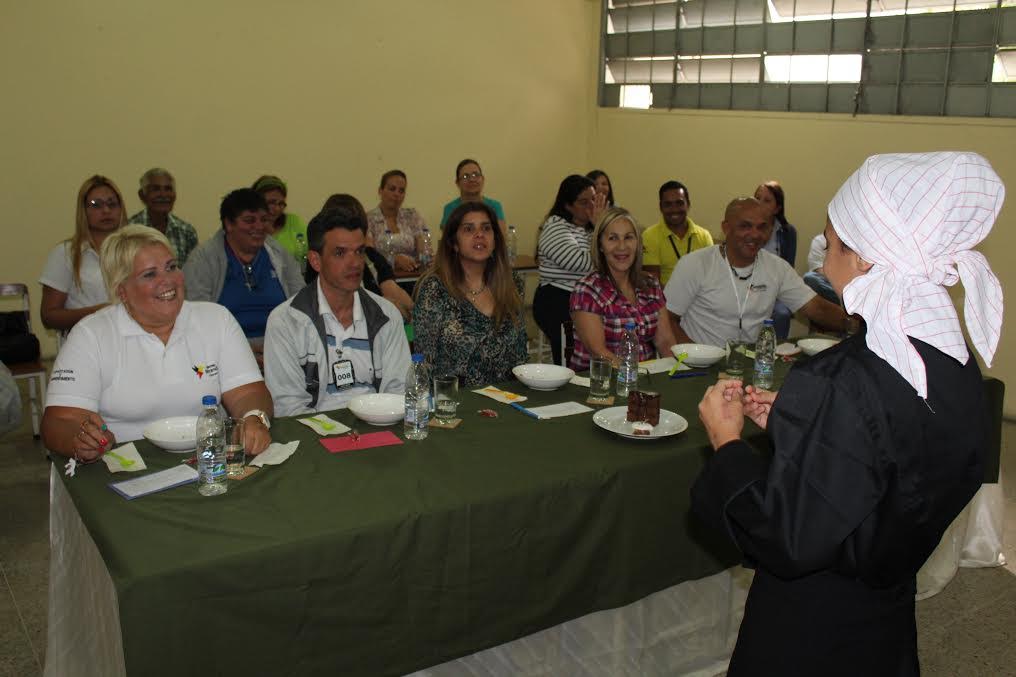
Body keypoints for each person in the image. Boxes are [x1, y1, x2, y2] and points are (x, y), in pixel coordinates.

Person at [693, 151, 1002, 675]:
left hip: (809, 627)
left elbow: (786, 535)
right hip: (885, 613)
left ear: (863, 258)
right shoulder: (953, 364)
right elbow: (905, 461)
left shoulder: (840, 380)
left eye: (832, 244)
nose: (821, 261)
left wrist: (727, 444)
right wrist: (805, 431)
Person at [41, 225, 273, 461]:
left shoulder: (216, 320)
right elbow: (59, 421)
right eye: (150, 274)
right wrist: (81, 441)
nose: (168, 281)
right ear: (122, 291)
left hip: (207, 461)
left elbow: (248, 392)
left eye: (171, 267)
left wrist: (254, 418)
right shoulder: (91, 335)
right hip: (124, 467)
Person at [264, 207, 411, 417]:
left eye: (359, 251)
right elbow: (288, 408)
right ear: (315, 260)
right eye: (340, 253)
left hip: (378, 428)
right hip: (312, 436)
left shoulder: (386, 316)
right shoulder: (285, 321)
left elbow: (399, 394)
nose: (355, 263)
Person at [664, 197, 848, 348]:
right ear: (726, 228)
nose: (755, 234)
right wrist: (691, 355)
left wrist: (857, 325)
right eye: (745, 226)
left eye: (762, 227)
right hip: (700, 363)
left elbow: (815, 307)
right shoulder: (695, 264)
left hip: (752, 363)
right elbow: (667, 319)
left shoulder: (776, 268)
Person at [413, 202, 527, 386]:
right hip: (456, 403)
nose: (479, 234)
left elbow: (521, 355)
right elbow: (424, 364)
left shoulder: (512, 284)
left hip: (509, 397)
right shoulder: (435, 289)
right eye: (468, 229)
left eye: (486, 228)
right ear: (454, 243)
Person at [183, 188, 304, 342]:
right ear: (228, 224)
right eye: (249, 220)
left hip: (280, 345)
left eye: (264, 219)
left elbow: (301, 307)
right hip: (225, 348)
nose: (259, 227)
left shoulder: (280, 254)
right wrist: (244, 350)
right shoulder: (202, 260)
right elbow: (197, 319)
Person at [570, 207, 676, 371]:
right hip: (598, 386)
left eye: (628, 237)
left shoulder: (651, 285)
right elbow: (599, 352)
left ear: (638, 243)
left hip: (646, 382)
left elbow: (665, 342)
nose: (622, 246)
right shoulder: (587, 290)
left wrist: (677, 371)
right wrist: (636, 375)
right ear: (600, 245)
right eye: (612, 238)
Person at [40, 175, 127, 333]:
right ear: (83, 210)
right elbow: (49, 316)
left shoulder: (136, 250)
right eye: (96, 205)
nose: (106, 210)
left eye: (112, 204)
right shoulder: (66, 254)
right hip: (86, 341)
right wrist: (100, 312)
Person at [533, 175, 597, 365]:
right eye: (584, 202)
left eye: (594, 199)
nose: (591, 206)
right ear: (568, 205)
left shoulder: (590, 230)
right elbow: (583, 263)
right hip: (558, 299)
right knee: (569, 359)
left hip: (586, 299)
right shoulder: (555, 226)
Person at [322, 193, 414, 320]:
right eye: (340, 253)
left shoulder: (371, 255)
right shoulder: (321, 262)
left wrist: (409, 310)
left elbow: (400, 298)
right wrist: (380, 305)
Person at [642, 180, 714, 286]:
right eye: (668, 204)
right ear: (661, 207)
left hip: (701, 298)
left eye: (679, 203)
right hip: (665, 300)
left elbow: (711, 275)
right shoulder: (649, 236)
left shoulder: (704, 236)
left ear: (688, 204)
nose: (674, 209)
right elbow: (653, 283)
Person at [755, 180, 799, 338]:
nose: (760, 204)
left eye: (767, 200)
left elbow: (789, 268)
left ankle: (775, 354)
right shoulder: (745, 229)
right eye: (757, 198)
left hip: (777, 290)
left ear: (777, 208)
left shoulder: (788, 232)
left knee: (781, 313)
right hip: (748, 287)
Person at [128, 167, 199, 264]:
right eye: (156, 189)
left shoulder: (186, 232)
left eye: (168, 189)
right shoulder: (129, 230)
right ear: (142, 195)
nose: (163, 195)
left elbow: (193, 273)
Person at [366, 170, 428, 273]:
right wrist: (393, 260)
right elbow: (368, 255)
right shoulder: (369, 219)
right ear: (380, 191)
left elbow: (423, 251)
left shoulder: (413, 216)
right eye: (392, 189)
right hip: (380, 278)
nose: (396, 194)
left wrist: (427, 259)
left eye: (401, 191)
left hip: (411, 275)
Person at [252, 175, 309, 264]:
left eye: (281, 203)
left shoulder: (294, 222)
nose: (277, 208)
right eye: (271, 202)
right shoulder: (247, 229)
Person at [440, 159, 506, 230]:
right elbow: (448, 239)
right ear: (458, 183)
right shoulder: (450, 209)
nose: (471, 179)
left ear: (482, 179)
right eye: (465, 176)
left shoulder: (494, 206)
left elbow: (501, 237)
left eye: (475, 175)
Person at [802, 232, 841, 304]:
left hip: (855, 289)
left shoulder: (859, 243)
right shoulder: (820, 240)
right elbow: (820, 270)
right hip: (832, 287)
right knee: (810, 278)